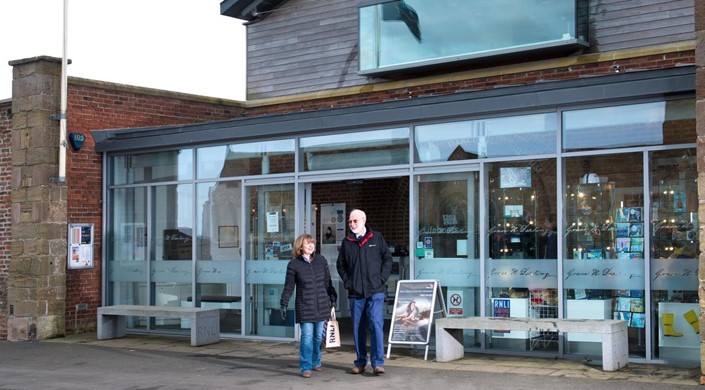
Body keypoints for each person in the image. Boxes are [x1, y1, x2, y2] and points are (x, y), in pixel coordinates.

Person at [336, 209, 393, 375]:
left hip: (375, 290)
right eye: (350, 221)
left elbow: (387, 259)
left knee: (376, 324)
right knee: (357, 328)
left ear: (363, 220)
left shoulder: (376, 237)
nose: (352, 224)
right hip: (356, 292)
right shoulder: (347, 242)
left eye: (355, 221)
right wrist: (349, 283)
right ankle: (360, 362)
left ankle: (377, 362)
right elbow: (341, 265)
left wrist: (381, 279)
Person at [280, 234, 337, 378]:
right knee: (307, 337)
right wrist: (284, 303)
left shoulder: (321, 260)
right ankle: (305, 366)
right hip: (304, 306)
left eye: (312, 243)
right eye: (308, 243)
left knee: (318, 337)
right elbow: (289, 286)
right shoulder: (294, 264)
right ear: (300, 247)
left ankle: (316, 361)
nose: (311, 246)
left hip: (322, 306)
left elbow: (327, 281)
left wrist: (332, 295)